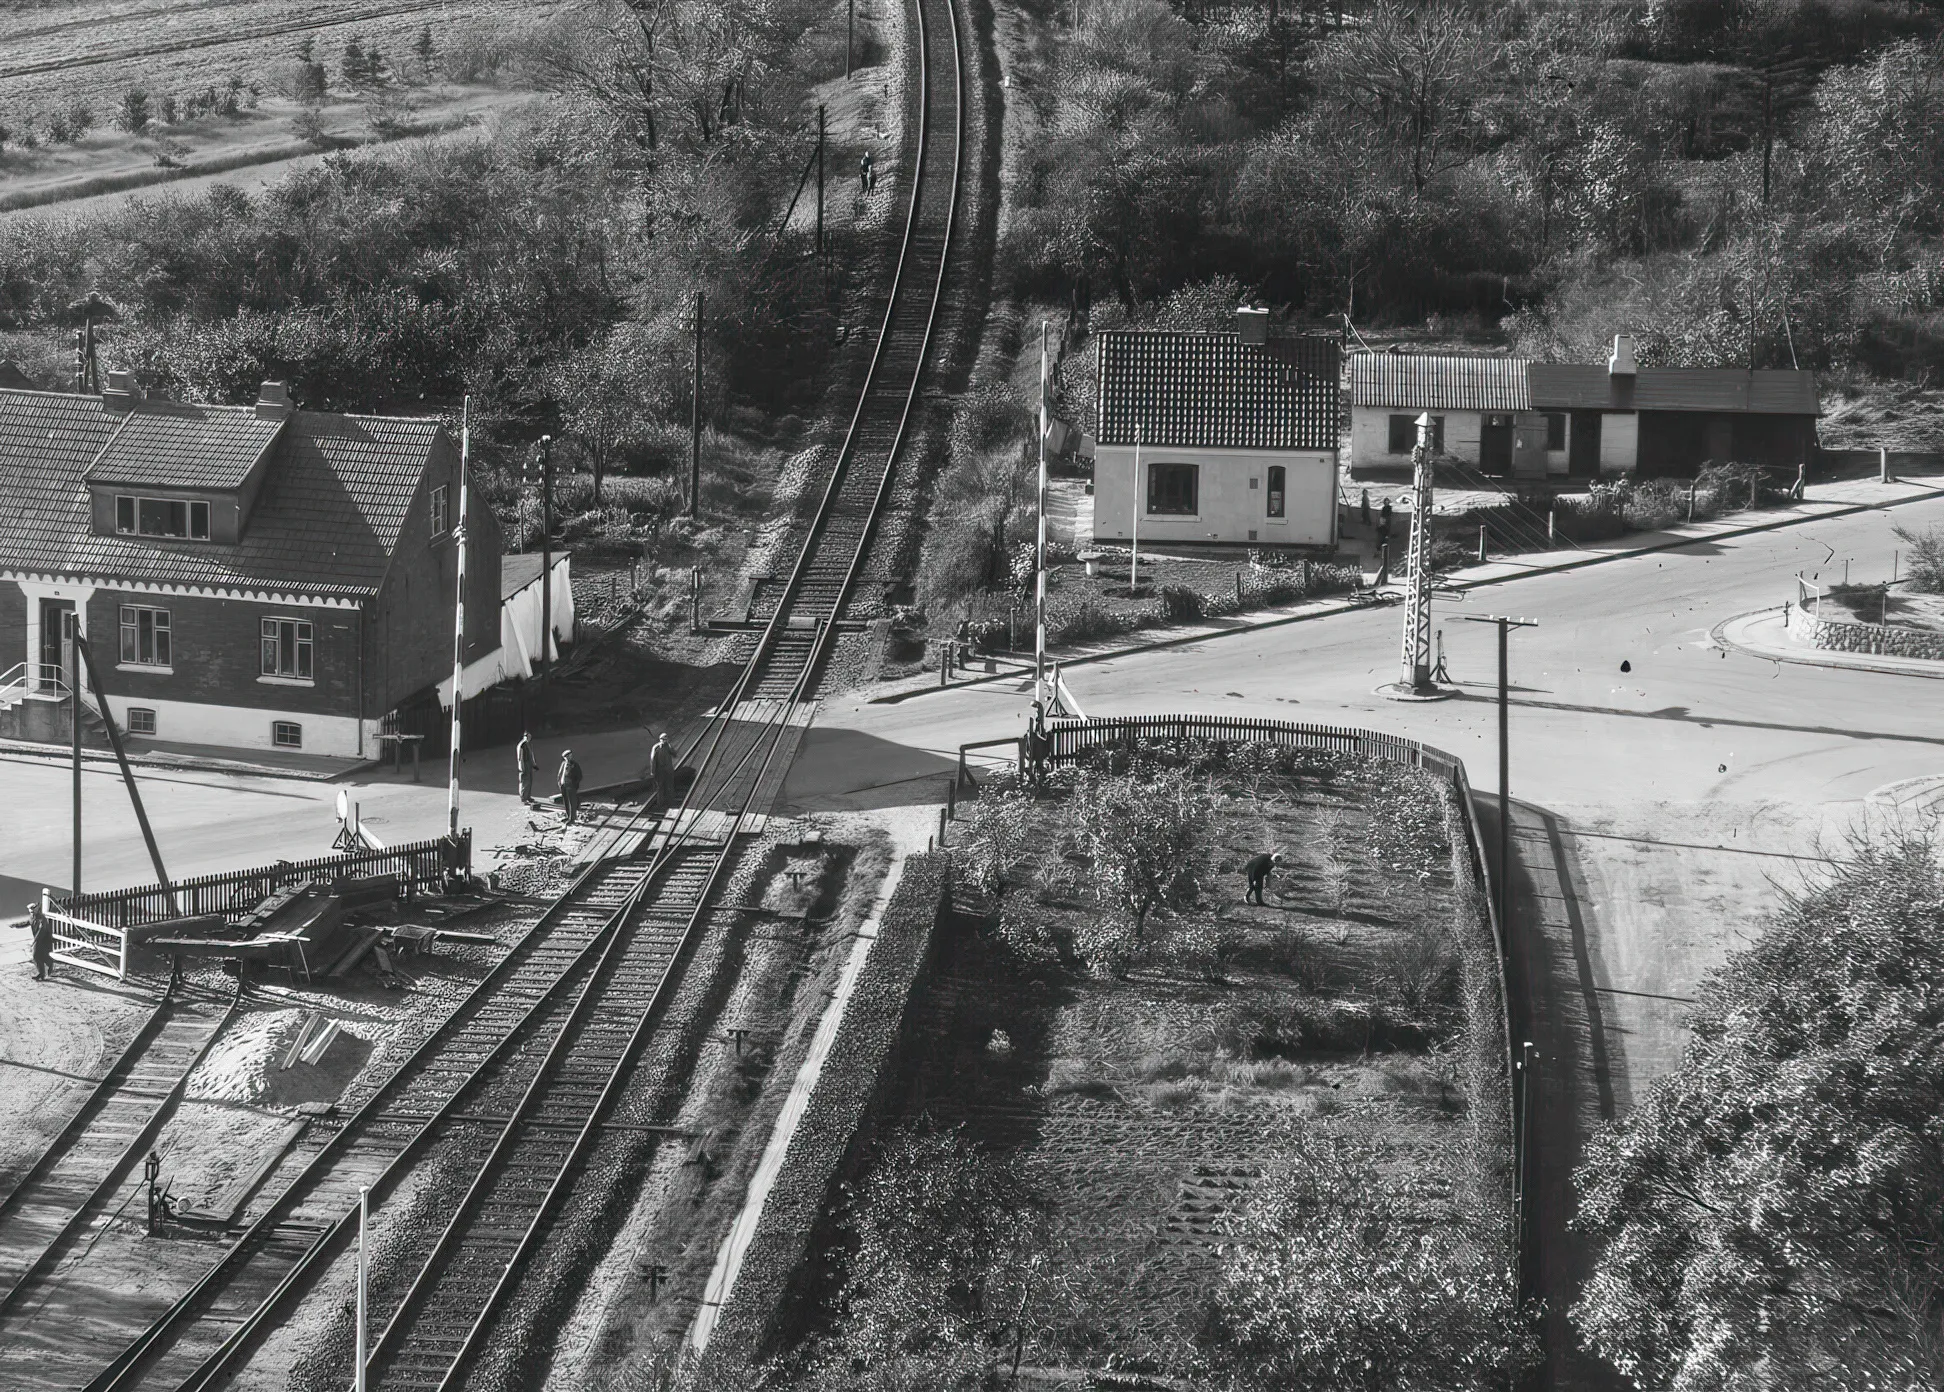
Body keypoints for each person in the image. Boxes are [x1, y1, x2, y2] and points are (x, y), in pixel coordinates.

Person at [649, 732, 676, 806]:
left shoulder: (668, 747)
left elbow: (675, 754)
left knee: (669, 786)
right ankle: (660, 803)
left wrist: (670, 747)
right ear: (660, 739)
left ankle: (670, 802)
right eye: (663, 739)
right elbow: (653, 760)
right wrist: (653, 771)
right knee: (660, 787)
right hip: (659, 770)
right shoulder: (656, 748)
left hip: (668, 770)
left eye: (666, 739)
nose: (664, 741)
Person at [557, 749, 583, 825]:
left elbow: (579, 776)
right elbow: (560, 774)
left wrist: (574, 785)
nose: (568, 758)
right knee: (566, 802)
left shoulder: (574, 765)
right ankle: (568, 816)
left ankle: (572, 819)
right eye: (566, 757)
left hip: (571, 786)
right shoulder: (563, 764)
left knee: (572, 802)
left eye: (569, 756)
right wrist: (559, 783)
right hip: (563, 785)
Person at [30, 904, 53, 981]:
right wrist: (16, 926)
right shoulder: (32, 917)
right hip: (38, 939)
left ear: (37, 909)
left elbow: (41, 931)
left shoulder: (42, 919)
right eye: (31, 911)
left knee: (36, 956)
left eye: (33, 911)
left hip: (44, 940)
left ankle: (48, 966)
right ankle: (42, 973)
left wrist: (34, 942)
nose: (32, 913)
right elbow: (27, 922)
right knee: (39, 957)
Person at [517, 731, 535, 806]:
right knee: (525, 782)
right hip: (524, 764)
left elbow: (531, 755)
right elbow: (520, 758)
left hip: (529, 764)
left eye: (530, 737)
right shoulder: (522, 745)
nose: (529, 739)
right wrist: (521, 767)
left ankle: (528, 796)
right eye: (528, 737)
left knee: (530, 781)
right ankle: (523, 797)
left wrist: (534, 764)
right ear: (524, 737)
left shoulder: (528, 744)